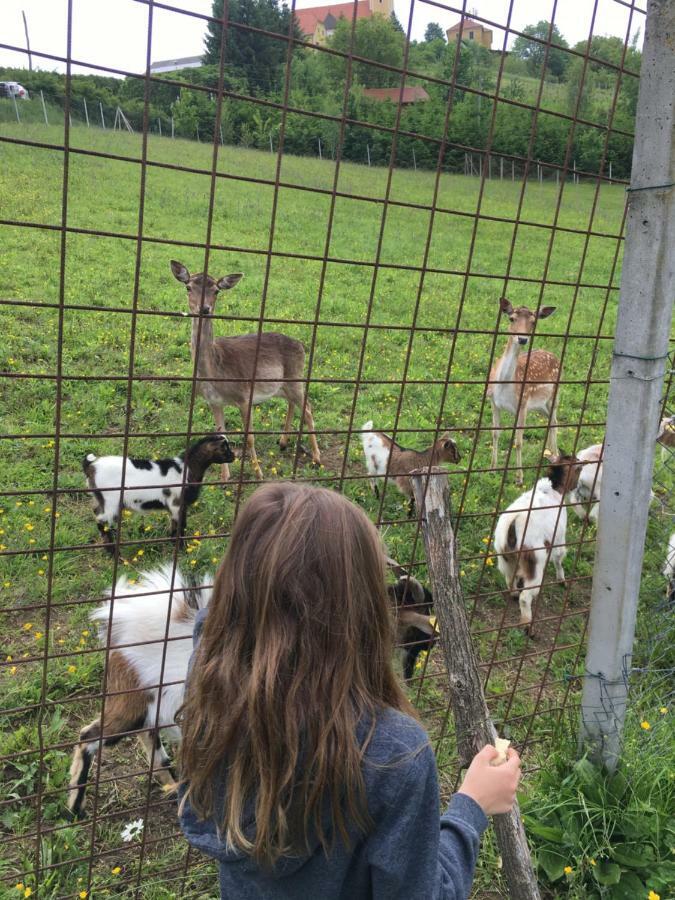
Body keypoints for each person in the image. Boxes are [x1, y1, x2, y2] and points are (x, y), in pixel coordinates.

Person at [178, 483, 521, 899]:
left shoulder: (212, 683)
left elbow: (214, 620)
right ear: (362, 609)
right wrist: (471, 807)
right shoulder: (391, 754)